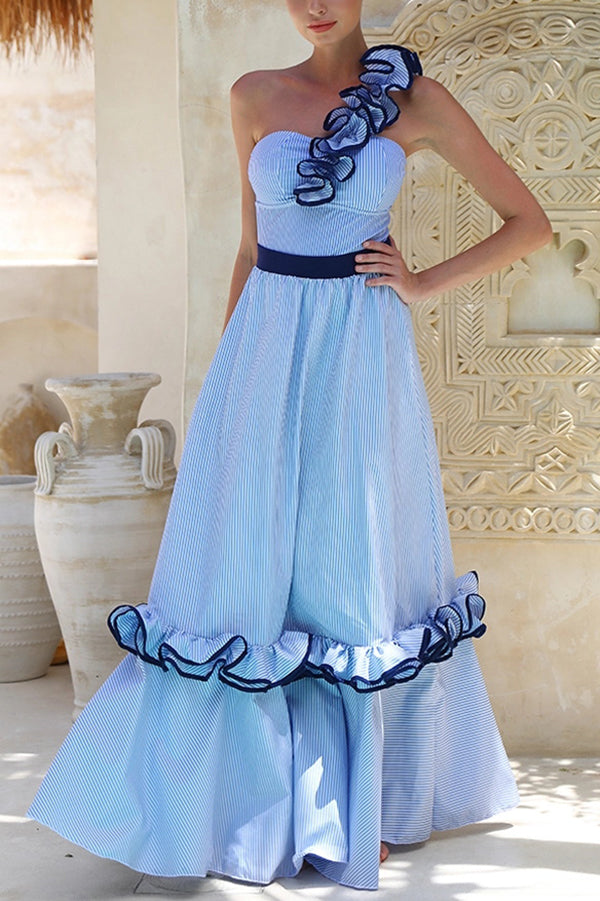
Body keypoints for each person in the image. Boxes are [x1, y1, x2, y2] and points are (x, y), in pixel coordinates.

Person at [27, 0, 552, 892]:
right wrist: (229, 380)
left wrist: (422, 282)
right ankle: (232, 798)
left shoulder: (418, 102)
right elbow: (248, 245)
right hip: (264, 350)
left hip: (360, 353)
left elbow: (526, 222)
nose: (314, 5)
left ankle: (356, 804)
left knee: (349, 563)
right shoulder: (253, 95)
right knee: (245, 565)